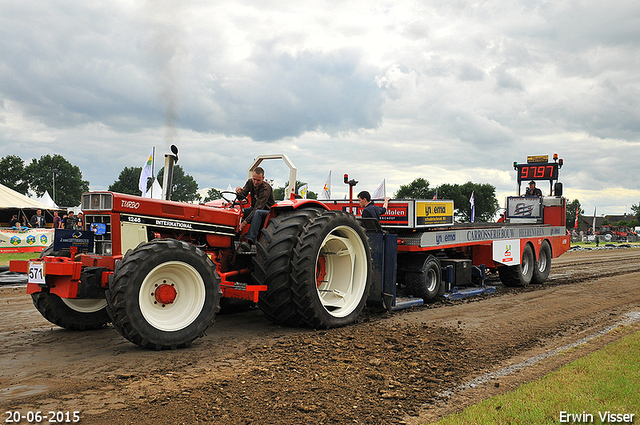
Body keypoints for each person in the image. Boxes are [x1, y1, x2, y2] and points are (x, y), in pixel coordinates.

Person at [235, 167, 275, 252]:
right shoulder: (250, 182)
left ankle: (250, 242)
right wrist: (238, 192)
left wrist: (244, 223)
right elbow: (242, 197)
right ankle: (235, 238)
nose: (255, 182)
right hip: (254, 209)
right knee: (239, 212)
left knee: (257, 213)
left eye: (258, 180)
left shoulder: (266, 188)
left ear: (263, 178)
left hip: (267, 212)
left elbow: (259, 207)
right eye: (254, 179)